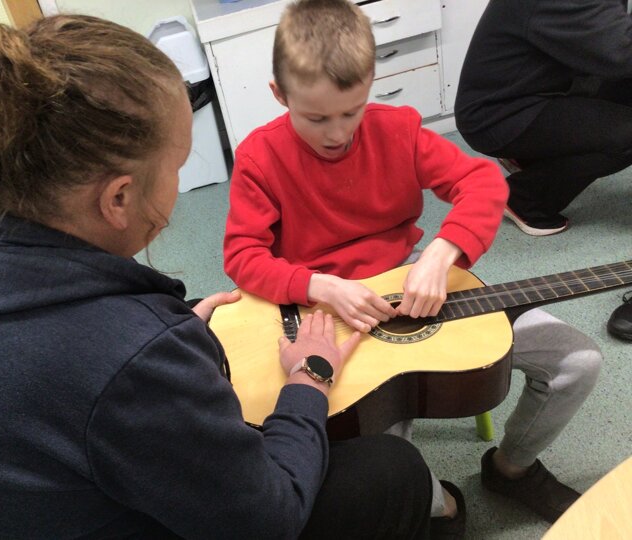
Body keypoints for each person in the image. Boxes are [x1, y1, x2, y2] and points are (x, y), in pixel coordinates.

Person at [0, 14, 434, 539]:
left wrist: (163, 341)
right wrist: (309, 378)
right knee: (392, 470)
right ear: (118, 198)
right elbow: (269, 520)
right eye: (178, 166)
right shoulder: (131, 356)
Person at [223, 0, 604, 532]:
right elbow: (242, 256)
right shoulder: (259, 156)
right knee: (388, 460)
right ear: (279, 94)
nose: (337, 133)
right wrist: (320, 286)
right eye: (316, 118)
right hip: (321, 311)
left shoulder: (397, 128)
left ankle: (511, 469)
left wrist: (443, 253)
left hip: (408, 279)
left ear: (371, 84)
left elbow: (482, 182)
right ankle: (439, 505)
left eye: (352, 111)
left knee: (579, 361)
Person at [455, 0, 632, 237]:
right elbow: (621, 51)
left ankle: (534, 159)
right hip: (498, 115)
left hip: (542, 86)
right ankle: (525, 199)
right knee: (626, 136)